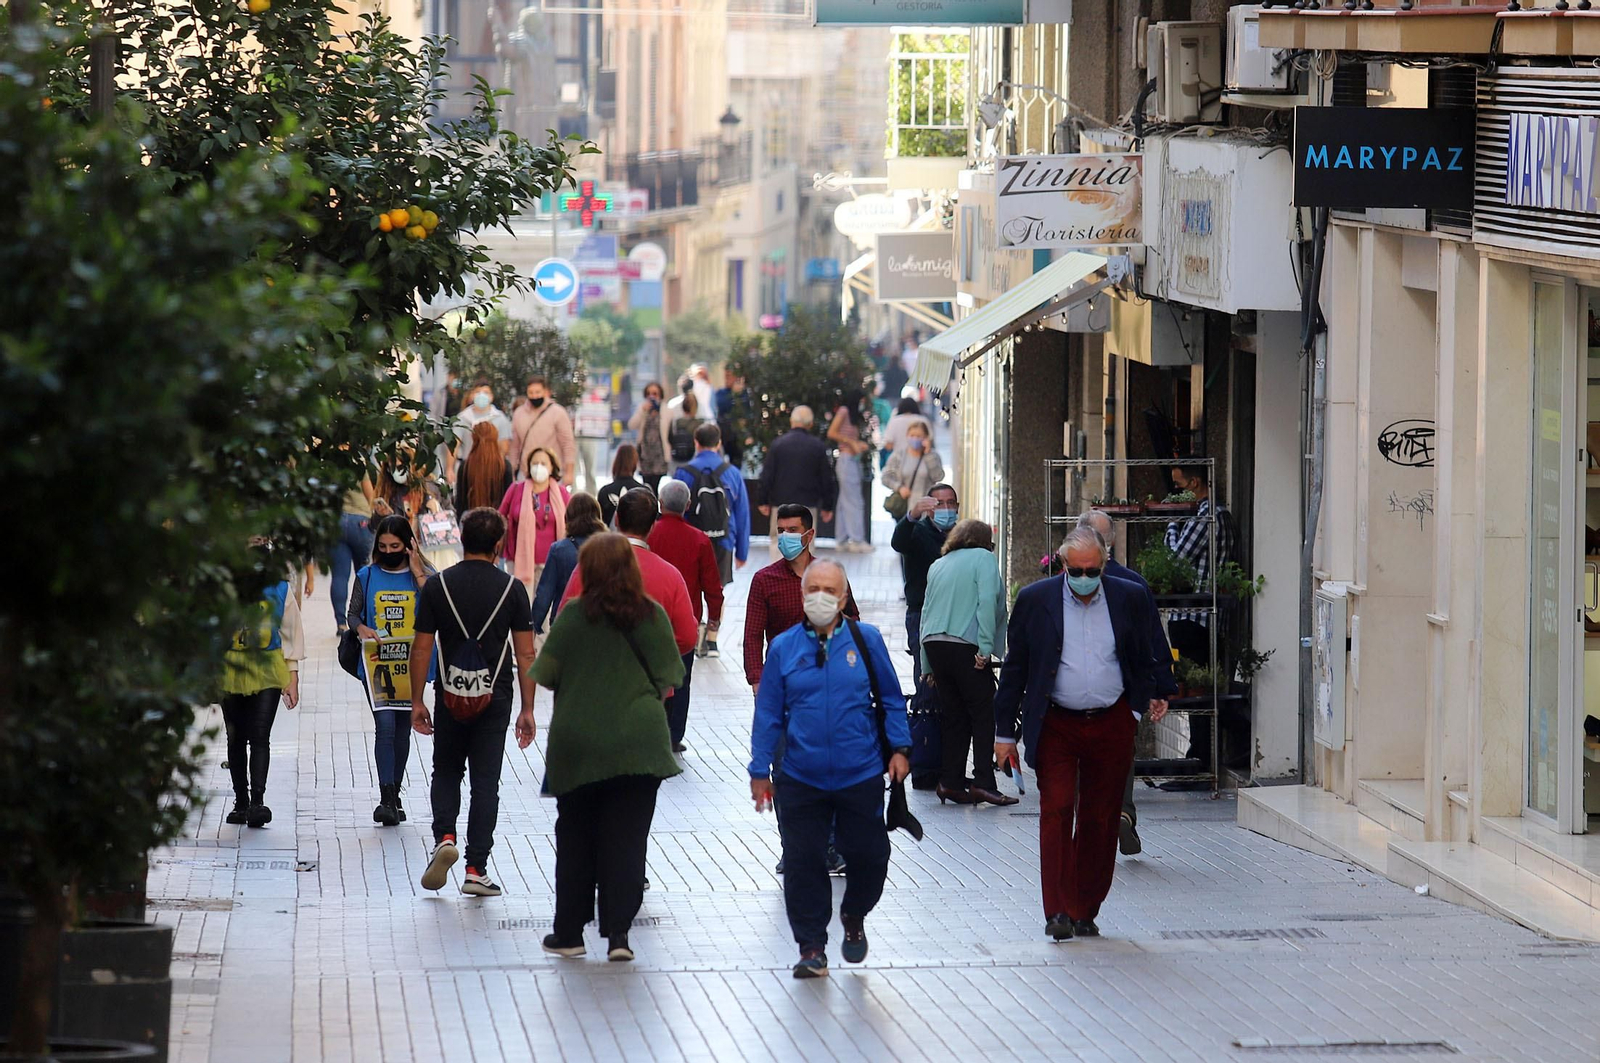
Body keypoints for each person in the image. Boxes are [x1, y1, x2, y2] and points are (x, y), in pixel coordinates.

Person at [994, 527, 1168, 941]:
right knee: (1055, 808)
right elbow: (1016, 666)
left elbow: (1150, 649)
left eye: (1092, 570)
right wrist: (1004, 733)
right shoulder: (1036, 600)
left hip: (1111, 721)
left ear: (1104, 564)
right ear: (1062, 564)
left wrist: (1151, 697)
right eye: (1076, 570)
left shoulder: (1129, 596)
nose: (1084, 577)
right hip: (1056, 721)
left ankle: (1085, 907)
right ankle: (1056, 911)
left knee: (1101, 816)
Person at [749, 559, 910, 978]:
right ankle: (811, 947)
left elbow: (892, 699)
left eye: (829, 590)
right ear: (802, 596)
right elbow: (768, 713)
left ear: (843, 597)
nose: (820, 596)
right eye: (812, 588)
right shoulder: (784, 647)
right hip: (801, 776)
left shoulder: (866, 639)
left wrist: (900, 749)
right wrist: (759, 770)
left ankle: (854, 914)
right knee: (803, 862)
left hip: (860, 772)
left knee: (869, 857)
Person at [535, 533, 686, 963]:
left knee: (576, 837)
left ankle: (568, 933)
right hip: (639, 744)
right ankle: (618, 936)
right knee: (627, 839)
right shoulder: (651, 616)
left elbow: (546, 674)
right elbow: (669, 676)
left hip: (578, 741)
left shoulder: (572, 617)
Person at [409, 508, 537, 898]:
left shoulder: (437, 587)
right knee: (485, 783)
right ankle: (475, 868)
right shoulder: (513, 589)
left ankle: (444, 836)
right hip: (493, 698)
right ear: (499, 545)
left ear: (462, 539)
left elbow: (422, 648)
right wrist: (528, 709)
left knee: (445, 770)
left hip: (449, 695)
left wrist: (417, 701)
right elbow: (526, 655)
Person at [744, 504, 861, 877]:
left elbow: (854, 622)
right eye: (781, 531)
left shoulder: (828, 576)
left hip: (828, 692)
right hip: (782, 696)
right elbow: (751, 638)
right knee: (787, 774)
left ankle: (827, 846)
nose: (786, 538)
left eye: (793, 530)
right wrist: (758, 683)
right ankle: (793, 847)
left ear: (810, 535)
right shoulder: (765, 580)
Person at [1077, 510, 1180, 856]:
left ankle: (1091, 817)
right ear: (1113, 541)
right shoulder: (1133, 584)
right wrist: (1160, 688)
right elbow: (1153, 638)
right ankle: (1122, 812)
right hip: (1123, 689)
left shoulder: (1062, 583)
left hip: (1073, 688)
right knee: (1120, 752)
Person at [348, 515, 436, 827]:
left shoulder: (425, 576)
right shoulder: (367, 575)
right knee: (384, 726)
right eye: (383, 546)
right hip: (377, 663)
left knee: (402, 728)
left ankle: (395, 793)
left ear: (409, 545)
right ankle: (386, 796)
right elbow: (353, 613)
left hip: (414, 662)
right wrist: (361, 628)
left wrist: (417, 572)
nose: (388, 551)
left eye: (395, 546)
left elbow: (438, 608)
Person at [919, 519, 1013, 807]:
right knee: (983, 713)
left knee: (954, 715)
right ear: (985, 542)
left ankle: (950, 781)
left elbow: (926, 609)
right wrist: (985, 649)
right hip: (966, 645)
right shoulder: (983, 559)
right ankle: (984, 781)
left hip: (935, 646)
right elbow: (987, 601)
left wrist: (927, 666)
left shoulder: (940, 563)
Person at [559, 488, 699, 659]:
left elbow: (564, 623)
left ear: (617, 519)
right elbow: (688, 637)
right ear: (652, 527)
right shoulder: (671, 576)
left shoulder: (588, 566)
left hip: (596, 675)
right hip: (650, 680)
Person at [222, 542, 305, 828]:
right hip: (231, 667)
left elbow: (291, 632)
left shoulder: (280, 590)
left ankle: (257, 801)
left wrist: (292, 674)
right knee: (236, 737)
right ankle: (241, 800)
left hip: (269, 667)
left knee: (259, 735)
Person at [1163, 463, 1234, 771]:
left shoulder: (1207, 517)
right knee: (1197, 688)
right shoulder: (1220, 515)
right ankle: (1199, 753)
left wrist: (1171, 523)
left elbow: (1174, 559)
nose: (1175, 493)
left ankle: (1200, 757)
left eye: (1179, 486)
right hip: (1203, 619)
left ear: (1194, 482)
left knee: (1194, 690)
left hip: (1195, 618)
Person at [646, 480, 723, 751]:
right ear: (688, 506)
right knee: (681, 680)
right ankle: (673, 735)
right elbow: (712, 584)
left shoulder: (649, 535)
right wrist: (714, 616)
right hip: (684, 624)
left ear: (660, 503)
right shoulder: (699, 540)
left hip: (648, 620)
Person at [673, 421, 751, 597]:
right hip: (723, 539)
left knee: (691, 589)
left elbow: (674, 510)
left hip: (691, 540)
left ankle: (696, 623)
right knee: (717, 591)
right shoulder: (732, 473)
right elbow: (742, 514)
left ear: (696, 442)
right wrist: (742, 551)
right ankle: (714, 624)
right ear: (719, 443)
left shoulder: (683, 473)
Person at [756, 406, 837, 561]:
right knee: (805, 545)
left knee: (778, 542)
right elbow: (826, 479)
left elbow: (767, 475)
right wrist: (828, 505)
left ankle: (778, 581)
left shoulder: (778, 444)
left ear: (792, 421)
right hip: (807, 506)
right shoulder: (817, 447)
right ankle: (801, 582)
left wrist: (762, 500)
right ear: (810, 424)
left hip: (781, 504)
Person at [891, 484, 959, 656]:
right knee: (925, 672)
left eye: (950, 503)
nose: (946, 508)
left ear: (957, 506)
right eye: (940, 504)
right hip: (922, 613)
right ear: (929, 509)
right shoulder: (918, 532)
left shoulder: (964, 535)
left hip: (956, 613)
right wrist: (912, 516)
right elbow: (898, 542)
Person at [531, 492, 605, 643]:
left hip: (564, 621)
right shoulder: (608, 547)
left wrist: (535, 624)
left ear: (568, 517)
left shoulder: (559, 550)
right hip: (600, 621)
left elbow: (545, 592)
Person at [497, 446, 571, 599]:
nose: (538, 467)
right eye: (535, 463)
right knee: (521, 605)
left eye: (543, 464)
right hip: (519, 562)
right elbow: (500, 518)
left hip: (551, 564)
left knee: (546, 613)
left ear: (552, 468)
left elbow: (571, 522)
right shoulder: (516, 489)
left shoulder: (562, 493)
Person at [331, 474, 378, 636]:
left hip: (336, 519)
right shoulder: (358, 461)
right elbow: (370, 495)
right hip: (361, 520)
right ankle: (363, 619)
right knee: (364, 574)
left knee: (339, 576)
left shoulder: (328, 461)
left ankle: (341, 624)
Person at [826, 390, 872, 553]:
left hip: (850, 460)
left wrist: (856, 444)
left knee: (845, 501)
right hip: (846, 460)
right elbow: (831, 432)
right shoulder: (844, 411)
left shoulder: (852, 416)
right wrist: (851, 442)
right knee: (854, 500)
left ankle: (842, 538)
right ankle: (857, 539)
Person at [513, 374, 578, 480]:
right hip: (525, 472)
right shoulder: (519, 414)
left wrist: (569, 472)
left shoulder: (558, 413)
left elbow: (568, 444)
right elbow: (514, 446)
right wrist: (513, 470)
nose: (534, 396)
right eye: (531, 393)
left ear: (545, 392)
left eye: (538, 392)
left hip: (552, 472)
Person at [450, 377, 513, 481]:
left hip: (492, 470)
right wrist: (449, 469)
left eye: (486, 392)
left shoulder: (500, 418)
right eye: (478, 392)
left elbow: (504, 448)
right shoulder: (462, 418)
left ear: (491, 397)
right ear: (472, 395)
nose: (481, 395)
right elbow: (453, 445)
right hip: (468, 468)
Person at [881, 420, 943, 513]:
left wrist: (928, 454)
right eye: (912, 435)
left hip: (926, 509)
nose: (915, 439)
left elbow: (938, 476)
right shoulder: (899, 455)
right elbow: (886, 477)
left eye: (918, 436)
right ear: (907, 436)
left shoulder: (932, 456)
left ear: (925, 438)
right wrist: (899, 487)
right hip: (905, 508)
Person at [453, 421, 514, 515]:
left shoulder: (465, 467)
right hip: (498, 521)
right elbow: (509, 502)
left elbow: (460, 503)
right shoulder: (504, 466)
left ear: (474, 439)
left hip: (470, 521)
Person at [626, 381, 671, 495]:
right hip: (645, 453)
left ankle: (655, 506)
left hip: (659, 453)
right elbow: (632, 425)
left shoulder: (666, 410)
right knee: (646, 484)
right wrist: (643, 411)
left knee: (656, 484)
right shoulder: (642, 409)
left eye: (655, 393)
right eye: (649, 393)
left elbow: (670, 429)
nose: (652, 396)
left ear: (660, 395)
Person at [713, 365, 753, 468]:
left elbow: (746, 412)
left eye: (729, 376)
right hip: (724, 434)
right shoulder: (721, 393)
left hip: (737, 436)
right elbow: (722, 406)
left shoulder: (744, 394)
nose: (727, 379)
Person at [598, 444, 642, 528]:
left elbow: (600, 522)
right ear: (635, 463)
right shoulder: (643, 492)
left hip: (609, 539)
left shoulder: (604, 492)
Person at [666, 390, 703, 473]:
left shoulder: (675, 423)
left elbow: (669, 438)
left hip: (677, 459)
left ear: (683, 407)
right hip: (693, 458)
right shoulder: (700, 424)